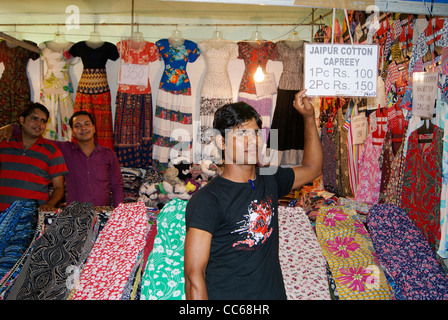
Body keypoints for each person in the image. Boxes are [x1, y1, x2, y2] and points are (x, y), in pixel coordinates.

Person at [184, 89, 323, 300]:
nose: (253, 141)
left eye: (256, 133)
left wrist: (309, 118)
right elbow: (194, 278)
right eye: (241, 134)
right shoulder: (207, 200)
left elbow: (313, 168)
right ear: (221, 142)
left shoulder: (269, 178)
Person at [0, 111, 124, 208]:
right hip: (73, 215)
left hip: (102, 213)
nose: (83, 128)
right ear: (72, 132)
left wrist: (119, 212)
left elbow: (117, 185)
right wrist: (14, 128)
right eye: (77, 126)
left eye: (87, 124)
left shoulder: (108, 154)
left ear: (94, 128)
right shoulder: (64, 149)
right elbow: (38, 137)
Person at [0, 103, 68, 212]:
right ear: (22, 120)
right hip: (2, 215)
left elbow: (59, 188)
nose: (39, 124)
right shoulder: (4, 144)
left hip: (32, 217)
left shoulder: (52, 150)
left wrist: (49, 204)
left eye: (43, 121)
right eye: (34, 118)